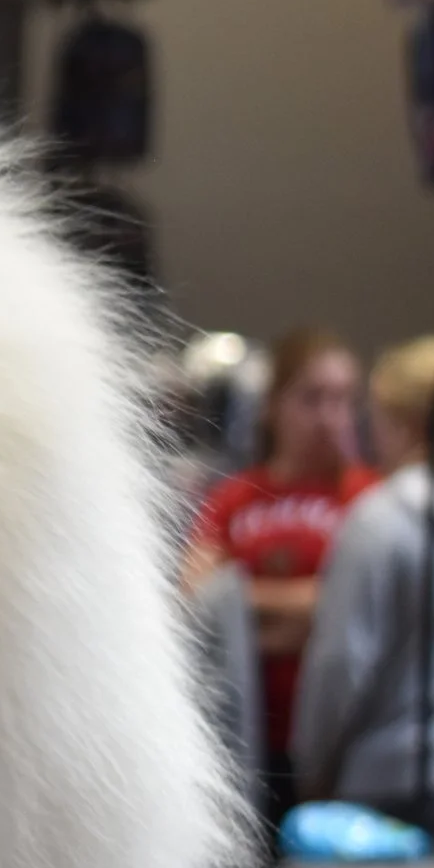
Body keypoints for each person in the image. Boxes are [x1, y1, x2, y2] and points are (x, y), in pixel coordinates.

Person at [291, 338, 434, 843]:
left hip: (397, 780)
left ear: (402, 422)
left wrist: (310, 763)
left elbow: (342, 663)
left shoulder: (381, 519)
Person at [181, 327, 379, 824]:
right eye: (312, 398)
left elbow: (350, 607)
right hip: (245, 731)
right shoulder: (235, 497)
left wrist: (244, 603)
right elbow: (196, 596)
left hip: (338, 741)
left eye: (342, 400)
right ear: (272, 406)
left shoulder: (368, 499)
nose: (329, 417)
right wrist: (298, 612)